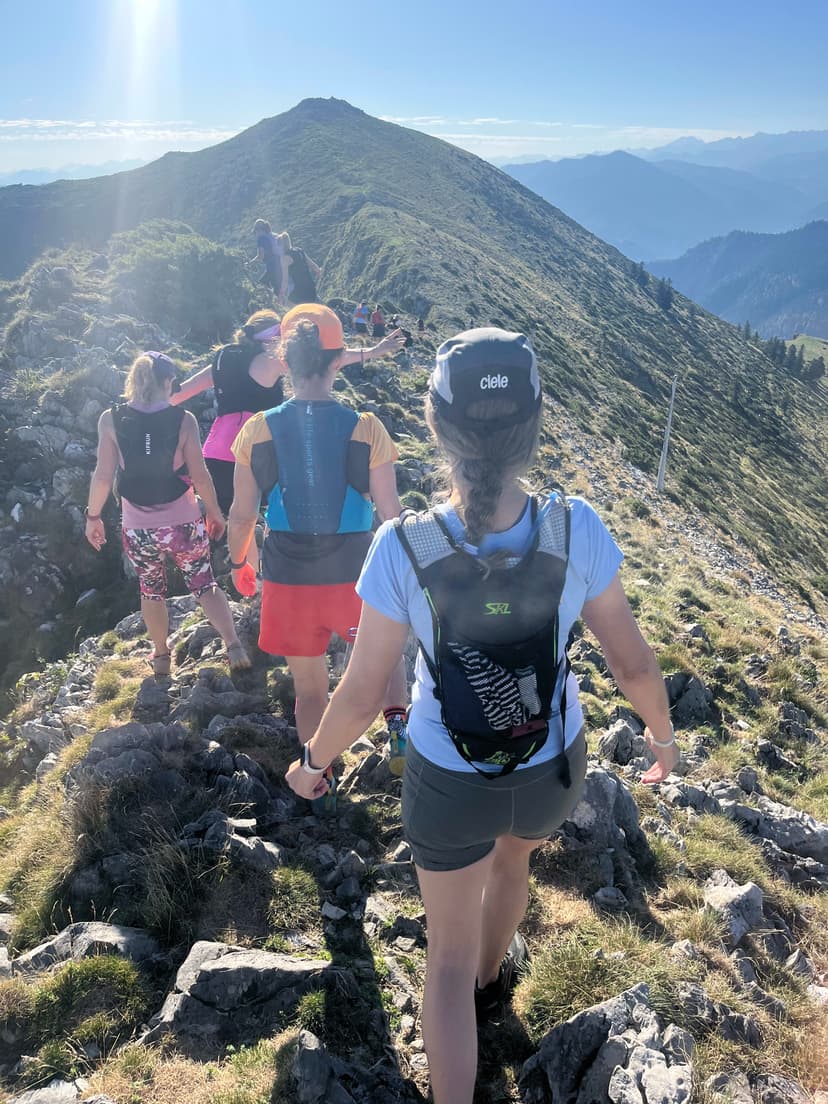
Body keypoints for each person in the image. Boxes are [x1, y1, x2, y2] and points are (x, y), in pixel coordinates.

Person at [285, 327, 680, 1103]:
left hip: (448, 780)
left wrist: (313, 765)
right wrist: (662, 740)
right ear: (534, 426)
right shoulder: (576, 527)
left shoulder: (403, 546)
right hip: (550, 769)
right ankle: (494, 982)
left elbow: (361, 694)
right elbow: (633, 664)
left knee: (444, 962)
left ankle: (469, 998)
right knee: (514, 863)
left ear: (435, 425)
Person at [228, 304, 410, 789]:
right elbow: (391, 514)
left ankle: (319, 777)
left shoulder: (258, 429)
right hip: (356, 573)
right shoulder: (366, 426)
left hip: (287, 576)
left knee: (310, 692)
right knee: (385, 654)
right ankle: (397, 725)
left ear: (286, 361)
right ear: (336, 361)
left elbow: (243, 514)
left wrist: (239, 561)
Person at [85, 352, 251, 677]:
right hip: (183, 522)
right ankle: (233, 646)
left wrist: (93, 517)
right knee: (204, 584)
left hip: (138, 528)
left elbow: (103, 476)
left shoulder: (110, 419)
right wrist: (214, 511)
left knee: (151, 591)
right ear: (168, 381)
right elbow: (200, 475)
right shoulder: (183, 419)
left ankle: (161, 657)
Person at [170, 310, 286, 568]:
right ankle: (253, 577)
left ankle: (233, 574)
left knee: (238, 519)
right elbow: (321, 362)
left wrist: (139, 406)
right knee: (256, 518)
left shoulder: (224, 360)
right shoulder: (270, 362)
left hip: (216, 453)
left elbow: (177, 396)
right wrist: (369, 353)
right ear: (272, 338)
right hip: (255, 453)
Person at [276, 231, 322, 307]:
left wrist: (281, 294)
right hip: (311, 287)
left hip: (300, 291)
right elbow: (314, 266)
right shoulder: (299, 251)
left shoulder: (284, 258)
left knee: (287, 306)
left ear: (280, 246)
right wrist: (319, 273)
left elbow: (285, 280)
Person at [251, 219, 283, 301]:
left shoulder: (261, 239)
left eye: (255, 232)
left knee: (263, 282)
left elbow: (260, 256)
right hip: (280, 263)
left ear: (258, 230)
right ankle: (274, 301)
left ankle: (271, 302)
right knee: (276, 286)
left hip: (272, 266)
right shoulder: (272, 235)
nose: (255, 234)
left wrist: (250, 263)